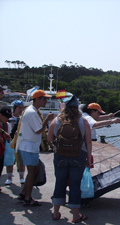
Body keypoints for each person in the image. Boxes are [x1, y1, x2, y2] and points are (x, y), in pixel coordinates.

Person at [47, 95, 91, 223]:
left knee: (59, 182)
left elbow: (49, 139)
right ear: (77, 107)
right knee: (75, 185)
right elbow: (88, 141)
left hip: (60, 155)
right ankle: (76, 215)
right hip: (78, 156)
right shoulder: (83, 121)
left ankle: (56, 213)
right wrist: (88, 157)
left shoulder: (57, 120)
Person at [17, 90, 54, 206]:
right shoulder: (32, 113)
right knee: (32, 171)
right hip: (28, 147)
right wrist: (47, 120)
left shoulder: (33, 111)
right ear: (37, 99)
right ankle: (27, 198)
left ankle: (24, 193)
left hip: (29, 146)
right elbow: (38, 130)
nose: (46, 101)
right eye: (44, 99)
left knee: (34, 170)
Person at [5, 100, 26, 185]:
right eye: (19, 107)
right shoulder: (9, 118)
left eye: (22, 107)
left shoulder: (23, 118)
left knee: (21, 161)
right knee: (9, 160)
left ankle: (21, 177)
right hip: (10, 141)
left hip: (20, 141)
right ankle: (9, 178)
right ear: (14, 108)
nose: (20, 109)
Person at [0, 106, 12, 192]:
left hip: (2, 149)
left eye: (8, 117)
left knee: (0, 168)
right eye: (5, 117)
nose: (7, 119)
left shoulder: (6, 125)